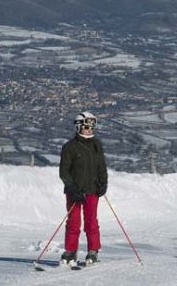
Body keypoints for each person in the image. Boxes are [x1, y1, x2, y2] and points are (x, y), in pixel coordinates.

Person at [59, 111, 108, 265]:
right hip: (75, 192)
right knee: (73, 221)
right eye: (87, 126)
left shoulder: (96, 145)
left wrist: (103, 183)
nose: (89, 130)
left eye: (92, 127)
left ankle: (93, 251)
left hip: (92, 190)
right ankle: (70, 251)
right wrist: (72, 188)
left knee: (91, 221)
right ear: (79, 127)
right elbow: (64, 171)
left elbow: (101, 166)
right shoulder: (70, 147)